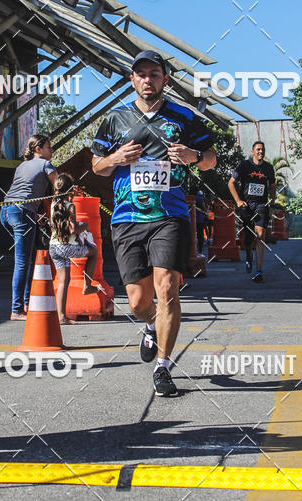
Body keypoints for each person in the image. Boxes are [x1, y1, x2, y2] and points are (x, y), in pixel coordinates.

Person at [91, 49, 216, 397]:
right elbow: (96, 166)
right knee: (136, 301)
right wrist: (115, 158)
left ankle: (163, 367)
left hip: (170, 216)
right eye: (141, 74)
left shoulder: (183, 117)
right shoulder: (114, 119)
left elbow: (210, 160)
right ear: (132, 79)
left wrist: (193, 157)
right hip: (127, 218)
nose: (148, 79)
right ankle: (149, 325)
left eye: (155, 74)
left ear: (165, 80)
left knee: (167, 289)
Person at [1, 134, 56, 320]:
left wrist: (34, 215)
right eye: (49, 147)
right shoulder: (45, 164)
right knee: (23, 261)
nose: (51, 150)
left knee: (28, 257)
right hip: (22, 212)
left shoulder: (22, 166)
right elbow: (60, 186)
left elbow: (25, 189)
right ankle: (16, 310)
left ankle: (26, 303)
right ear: (38, 149)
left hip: (6, 212)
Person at [49, 173, 98, 325]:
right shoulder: (70, 206)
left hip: (54, 247)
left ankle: (61, 316)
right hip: (66, 247)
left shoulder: (53, 204)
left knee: (64, 281)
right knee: (94, 252)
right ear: (70, 190)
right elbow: (73, 229)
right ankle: (88, 286)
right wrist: (84, 225)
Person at [227, 140, 276, 282]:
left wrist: (271, 205)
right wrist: (238, 201)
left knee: (260, 235)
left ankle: (259, 270)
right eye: (258, 149)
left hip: (261, 205)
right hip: (246, 206)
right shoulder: (244, 165)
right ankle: (249, 255)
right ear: (253, 151)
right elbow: (231, 183)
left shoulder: (268, 168)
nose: (261, 152)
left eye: (263, 149)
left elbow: (272, 186)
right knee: (248, 238)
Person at [195, 190, 206, 254]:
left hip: (193, 219)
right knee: (200, 234)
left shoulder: (194, 198)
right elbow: (204, 207)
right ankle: (200, 249)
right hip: (200, 219)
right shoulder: (201, 199)